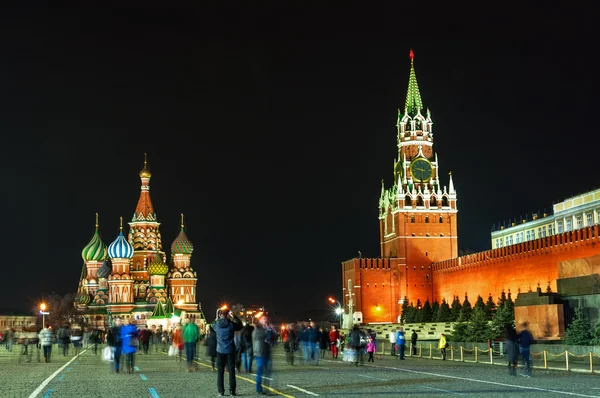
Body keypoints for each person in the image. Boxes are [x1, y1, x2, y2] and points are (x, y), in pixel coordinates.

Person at [212, 309, 242, 396]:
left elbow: (211, 325)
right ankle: (232, 391)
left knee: (220, 371)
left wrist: (217, 318)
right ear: (227, 315)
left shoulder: (216, 325)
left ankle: (221, 391)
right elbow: (240, 326)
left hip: (220, 350)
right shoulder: (231, 324)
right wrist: (234, 317)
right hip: (230, 349)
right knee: (231, 371)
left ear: (220, 315)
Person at [253, 316, 274, 395]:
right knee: (260, 372)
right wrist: (267, 331)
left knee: (268, 372)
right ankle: (259, 389)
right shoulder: (257, 328)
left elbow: (273, 337)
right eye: (263, 319)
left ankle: (267, 389)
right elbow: (257, 337)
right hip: (260, 352)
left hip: (267, 352)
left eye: (266, 318)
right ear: (260, 320)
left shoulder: (268, 328)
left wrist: (271, 331)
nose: (265, 320)